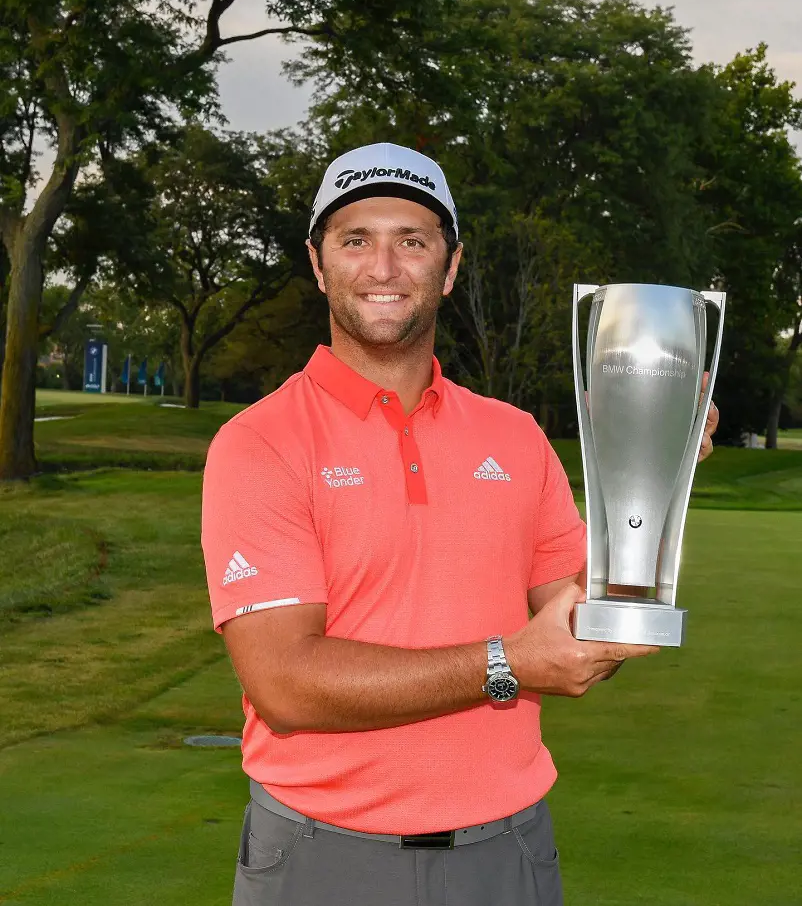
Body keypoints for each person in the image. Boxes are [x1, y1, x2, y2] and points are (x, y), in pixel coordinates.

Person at [201, 142, 719, 906]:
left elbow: (581, 619)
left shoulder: (514, 436)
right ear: (318, 263)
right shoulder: (260, 441)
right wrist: (506, 662)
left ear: (449, 267)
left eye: (412, 241)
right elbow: (285, 683)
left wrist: (655, 474)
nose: (383, 267)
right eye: (356, 240)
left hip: (504, 853)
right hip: (321, 859)